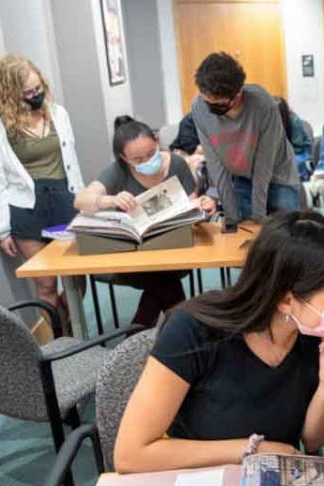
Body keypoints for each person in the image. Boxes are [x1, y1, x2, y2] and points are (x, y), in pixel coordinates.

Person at [114, 211, 324, 473]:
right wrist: (252, 450)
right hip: (197, 482)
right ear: (286, 301)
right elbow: (130, 455)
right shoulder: (193, 331)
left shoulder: (318, 332)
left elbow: (314, 440)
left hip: (272, 481)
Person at [74, 116, 217, 327]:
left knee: (163, 280)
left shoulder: (175, 163)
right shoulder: (117, 172)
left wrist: (203, 204)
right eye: (138, 160)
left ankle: (139, 335)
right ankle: (184, 332)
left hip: (174, 250)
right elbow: (80, 200)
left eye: (151, 153)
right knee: (165, 282)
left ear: (158, 140)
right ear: (124, 158)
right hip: (135, 259)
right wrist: (109, 199)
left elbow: (189, 205)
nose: (148, 161)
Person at [0, 54, 84, 323]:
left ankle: (73, 327)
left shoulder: (57, 113)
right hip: (27, 209)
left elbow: (73, 164)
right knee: (46, 284)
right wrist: (2, 229)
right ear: (11, 93)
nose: (36, 95)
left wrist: (85, 204)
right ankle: (56, 344)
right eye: (28, 92)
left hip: (64, 200)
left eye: (38, 88)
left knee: (76, 280)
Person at [191, 52, 300, 227]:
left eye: (218, 104)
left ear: (238, 92)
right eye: (206, 101)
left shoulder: (262, 104)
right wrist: (231, 220)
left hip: (279, 176)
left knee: (287, 234)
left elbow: (264, 164)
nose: (210, 109)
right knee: (243, 231)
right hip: (242, 177)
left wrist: (259, 217)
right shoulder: (199, 107)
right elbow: (215, 164)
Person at [272, 95, 313, 180]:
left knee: (289, 165)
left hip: (301, 153)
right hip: (284, 154)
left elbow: (298, 148)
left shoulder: (295, 122)